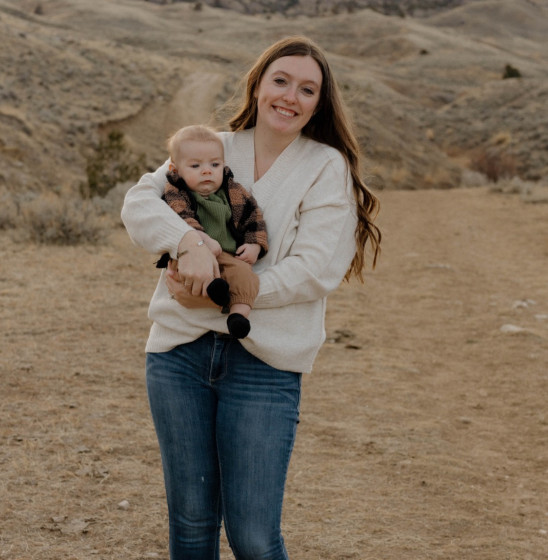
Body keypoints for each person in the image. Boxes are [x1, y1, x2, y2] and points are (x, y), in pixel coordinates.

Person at [121, 35, 381, 560]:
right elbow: (140, 202)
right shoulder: (212, 147)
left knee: (254, 538)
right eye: (280, 80)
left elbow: (315, 270)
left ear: (319, 103)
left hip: (264, 364)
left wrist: (228, 295)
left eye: (307, 89)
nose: (290, 96)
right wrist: (189, 242)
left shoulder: (324, 166)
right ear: (258, 85)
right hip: (179, 355)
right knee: (191, 525)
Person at [156, 124, 269, 339]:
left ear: (223, 165)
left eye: (215, 164)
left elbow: (253, 216)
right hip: (192, 255)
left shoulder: (233, 191)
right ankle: (215, 291)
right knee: (186, 272)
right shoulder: (177, 192)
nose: (207, 171)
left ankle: (238, 316)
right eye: (196, 165)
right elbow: (179, 218)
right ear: (175, 169)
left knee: (246, 276)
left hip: (228, 255)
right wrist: (201, 239)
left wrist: (255, 244)